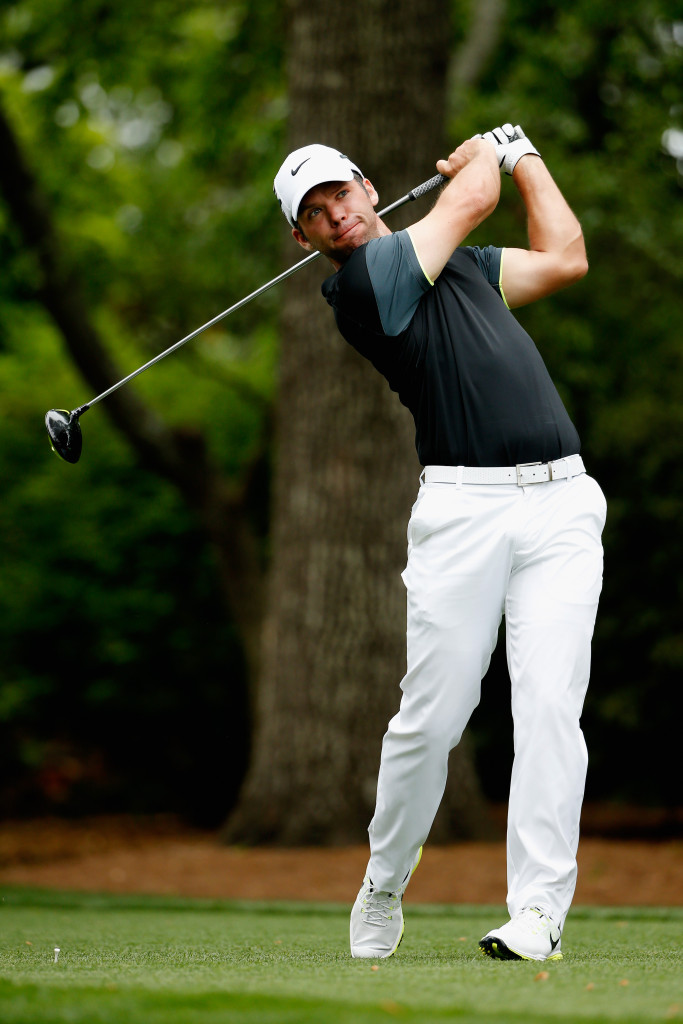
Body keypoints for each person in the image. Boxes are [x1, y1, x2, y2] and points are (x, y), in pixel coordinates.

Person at [273, 125, 606, 962]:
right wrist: (483, 158)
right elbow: (471, 197)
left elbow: (564, 258)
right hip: (464, 514)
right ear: (303, 239)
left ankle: (537, 913)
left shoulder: (458, 262)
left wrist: (525, 153)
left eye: (339, 193)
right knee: (432, 717)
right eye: (314, 213)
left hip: (561, 502)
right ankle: (383, 882)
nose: (335, 215)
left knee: (549, 709)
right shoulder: (364, 286)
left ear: (368, 186)